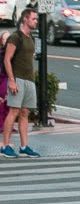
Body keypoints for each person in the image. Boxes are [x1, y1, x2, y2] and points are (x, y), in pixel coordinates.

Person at [2, 8, 40, 159]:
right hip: (17, 79)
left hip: (29, 80)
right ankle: (5, 146)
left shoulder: (30, 38)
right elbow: (7, 59)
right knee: (14, 111)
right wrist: (11, 80)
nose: (36, 21)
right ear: (25, 19)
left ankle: (24, 146)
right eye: (33, 19)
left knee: (25, 113)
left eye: (36, 19)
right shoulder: (15, 37)